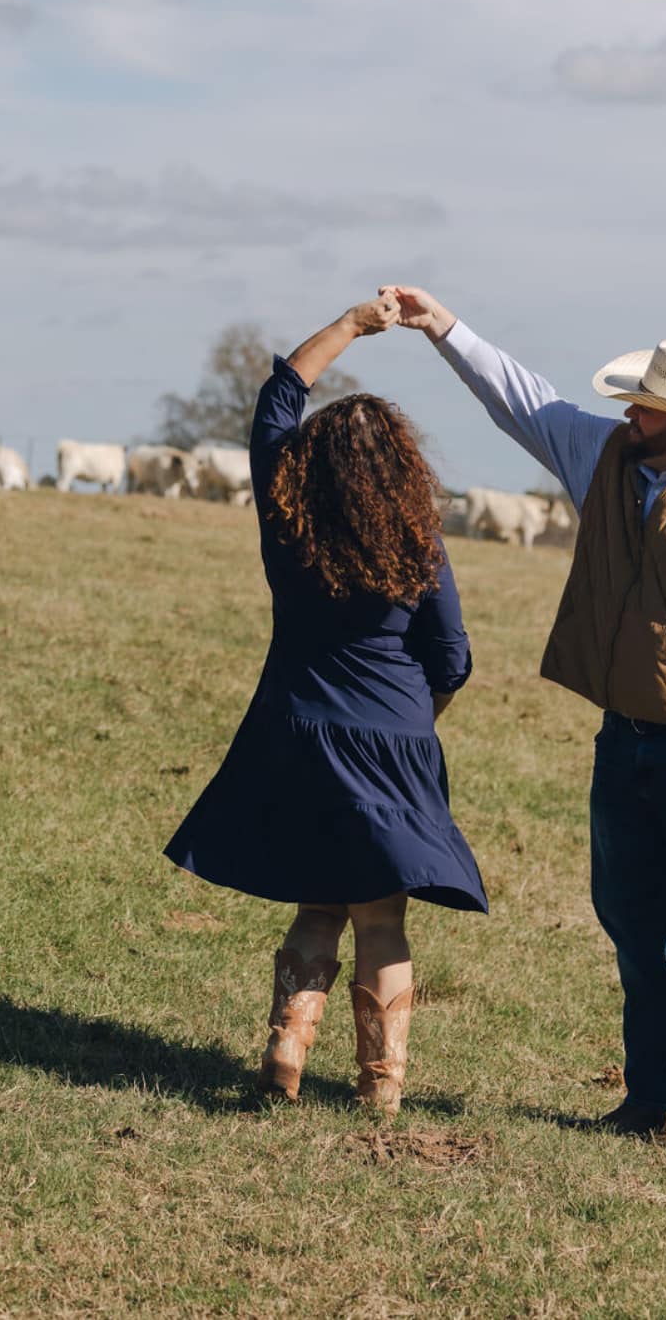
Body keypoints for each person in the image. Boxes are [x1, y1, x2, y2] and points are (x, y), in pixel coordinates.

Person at [387, 286, 666, 1172]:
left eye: (650, 405)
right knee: (634, 922)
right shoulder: (609, 455)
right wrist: (443, 326)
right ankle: (654, 1102)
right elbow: (522, 398)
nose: (630, 411)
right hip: (622, 736)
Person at [164, 295, 486, 1117]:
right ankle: (380, 1090)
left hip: (300, 733)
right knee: (381, 920)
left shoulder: (287, 517)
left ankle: (285, 1054)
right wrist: (419, 721)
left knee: (318, 901)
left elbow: (278, 400)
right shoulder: (420, 540)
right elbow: (452, 657)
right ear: (403, 471)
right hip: (394, 741)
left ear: (315, 462)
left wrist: (351, 324)